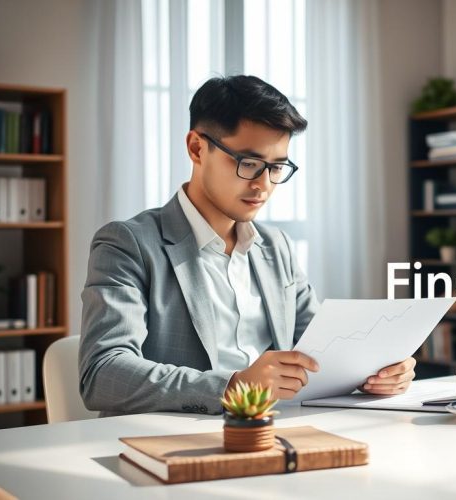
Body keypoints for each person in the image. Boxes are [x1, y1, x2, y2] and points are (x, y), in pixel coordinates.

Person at [79, 75, 415, 416]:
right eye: (249, 164)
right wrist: (234, 386)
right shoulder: (128, 244)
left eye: (277, 167)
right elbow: (102, 372)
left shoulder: (275, 247)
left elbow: (323, 351)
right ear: (197, 148)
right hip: (174, 442)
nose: (264, 185)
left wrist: (376, 371)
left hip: (274, 431)